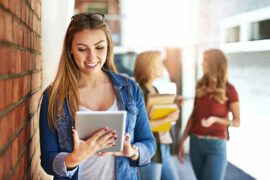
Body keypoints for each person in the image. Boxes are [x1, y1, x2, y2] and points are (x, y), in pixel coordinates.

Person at [39, 12, 156, 180]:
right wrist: (74, 158)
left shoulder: (130, 89)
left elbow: (149, 143)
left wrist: (131, 151)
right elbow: (48, 159)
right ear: (70, 49)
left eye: (99, 47)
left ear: (108, 46)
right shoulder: (54, 96)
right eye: (82, 49)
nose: (92, 57)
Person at [178, 49, 240, 180]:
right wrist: (182, 141)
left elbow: (237, 122)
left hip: (216, 146)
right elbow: (193, 116)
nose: (201, 63)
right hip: (195, 144)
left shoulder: (230, 90)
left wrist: (215, 120)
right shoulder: (201, 85)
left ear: (214, 64)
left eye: (205, 60)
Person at [134, 51, 182, 180]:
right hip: (150, 149)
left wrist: (172, 108)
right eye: (160, 64)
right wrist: (168, 119)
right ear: (149, 67)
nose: (163, 67)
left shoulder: (154, 89)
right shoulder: (140, 92)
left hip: (162, 146)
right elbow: (141, 127)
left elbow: (155, 115)